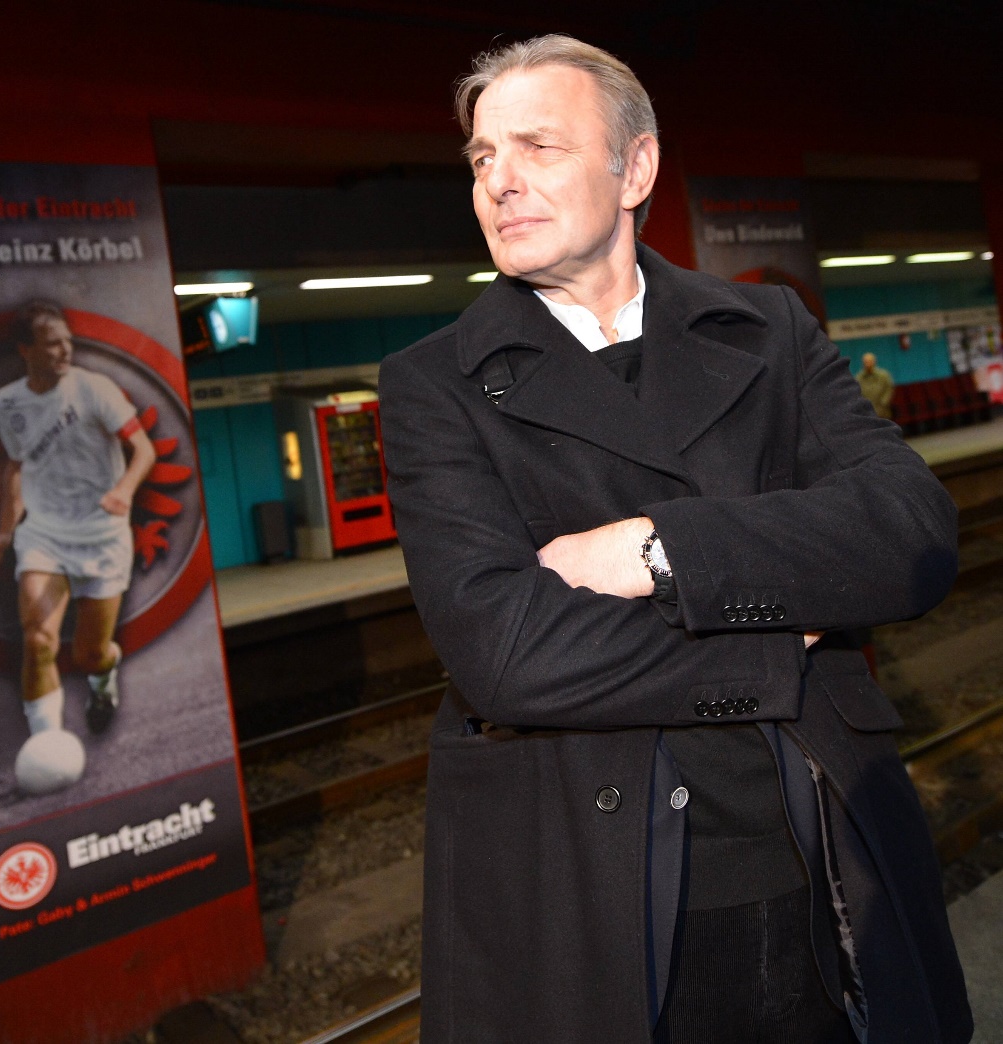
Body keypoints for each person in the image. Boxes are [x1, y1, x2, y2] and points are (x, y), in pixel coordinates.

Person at [378, 35, 970, 1044]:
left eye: (535, 146)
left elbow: (910, 534)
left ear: (634, 169)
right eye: (480, 157)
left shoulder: (766, 330)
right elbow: (508, 656)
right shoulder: (434, 383)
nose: (499, 181)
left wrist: (656, 548)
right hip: (605, 881)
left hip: (824, 846)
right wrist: (785, 630)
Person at [0, 300, 155, 744]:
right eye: (52, 343)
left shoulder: (95, 389)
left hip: (102, 537)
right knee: (38, 641)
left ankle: (103, 680)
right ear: (25, 350)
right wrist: (4, 531)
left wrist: (124, 491)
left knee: (89, 654)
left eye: (68, 341)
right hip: (45, 536)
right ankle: (47, 745)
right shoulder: (7, 403)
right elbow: (16, 467)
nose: (64, 350)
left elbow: (145, 451)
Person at [856, 351, 896, 419]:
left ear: (874, 362)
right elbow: (857, 394)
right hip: (867, 413)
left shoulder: (884, 375)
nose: (868, 364)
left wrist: (883, 403)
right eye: (866, 362)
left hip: (883, 411)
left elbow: (889, 389)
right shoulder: (859, 378)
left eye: (869, 361)